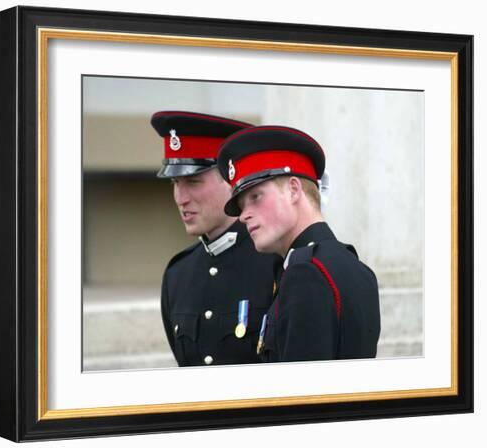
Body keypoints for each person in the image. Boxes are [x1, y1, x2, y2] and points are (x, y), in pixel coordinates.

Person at [217, 125, 381, 362]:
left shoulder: (306, 273)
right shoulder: (356, 267)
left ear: (294, 190)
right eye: (242, 206)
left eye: (255, 197)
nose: (243, 216)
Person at [151, 111, 282, 367]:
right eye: (175, 183)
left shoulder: (276, 261)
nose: (181, 198)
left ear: (232, 180)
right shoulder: (178, 275)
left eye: (193, 181)